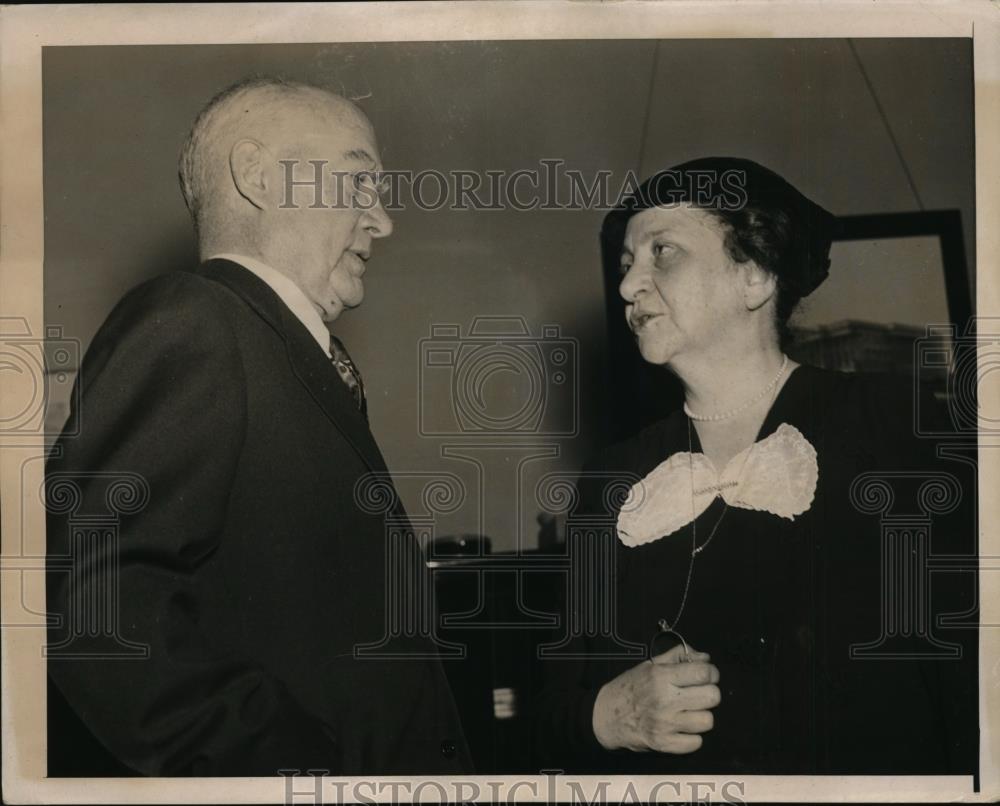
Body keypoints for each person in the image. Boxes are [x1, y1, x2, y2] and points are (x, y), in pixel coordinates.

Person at [45, 77, 472, 776]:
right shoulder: (194, 319)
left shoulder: (284, 352)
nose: (384, 221)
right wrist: (290, 774)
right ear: (254, 175)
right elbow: (98, 612)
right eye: (359, 184)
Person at [532, 157, 978, 774]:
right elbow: (553, 713)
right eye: (626, 264)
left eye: (662, 252)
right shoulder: (611, 481)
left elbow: (975, 687)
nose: (629, 286)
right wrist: (606, 718)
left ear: (756, 276)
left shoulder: (895, 430)